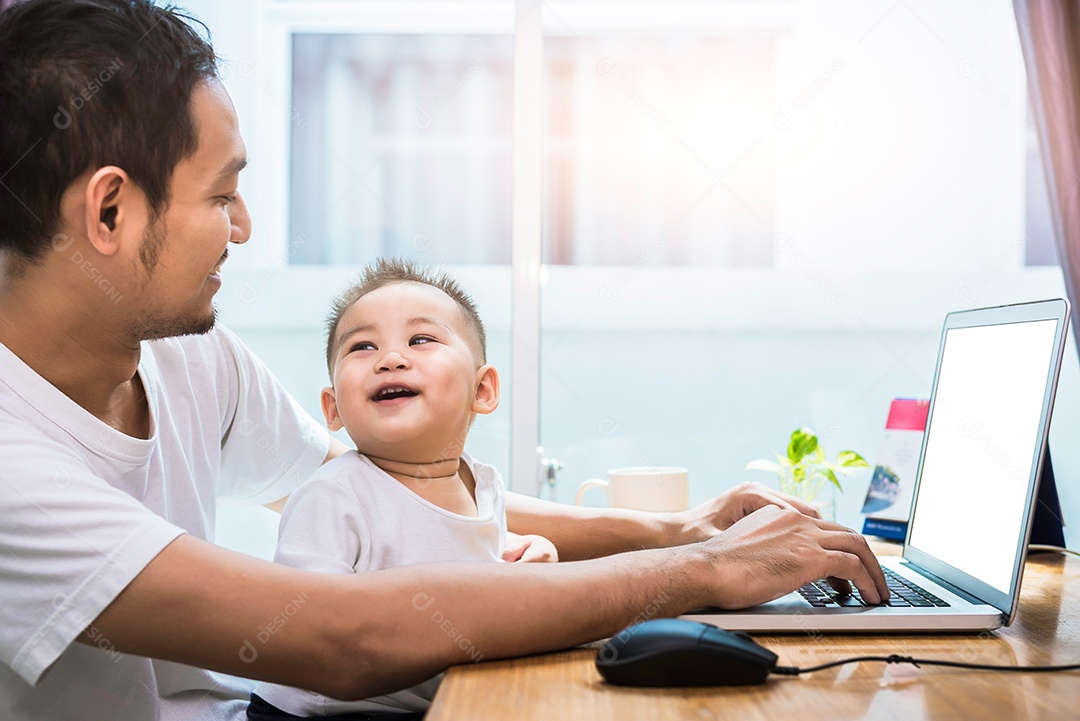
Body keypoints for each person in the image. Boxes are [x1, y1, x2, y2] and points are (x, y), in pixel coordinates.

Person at [0, 2, 888, 720]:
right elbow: (334, 638)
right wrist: (697, 576)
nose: (244, 228)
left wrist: (681, 531)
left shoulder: (189, 359)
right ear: (110, 213)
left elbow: (387, 479)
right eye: (222, 194)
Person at [251, 260, 557, 718]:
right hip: (324, 711)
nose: (390, 358)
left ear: (483, 390)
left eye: (421, 340)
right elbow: (311, 633)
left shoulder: (483, 486)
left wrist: (529, 550)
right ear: (333, 408)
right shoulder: (335, 496)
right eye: (363, 346)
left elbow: (459, 555)